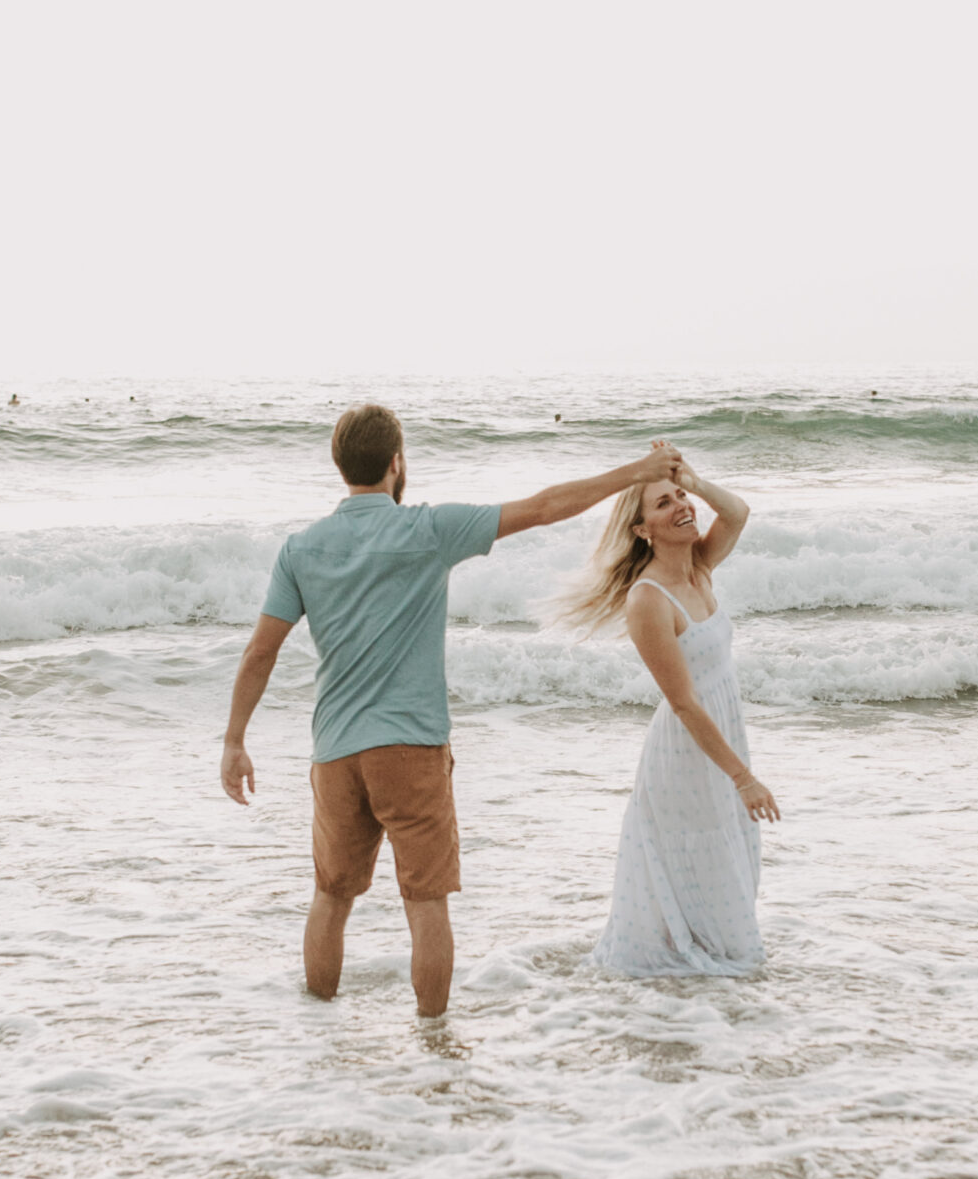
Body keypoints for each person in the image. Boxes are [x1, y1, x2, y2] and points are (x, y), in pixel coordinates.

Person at [221, 403, 684, 1017]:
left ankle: (320, 1037)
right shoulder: (428, 530)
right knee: (425, 904)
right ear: (396, 462)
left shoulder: (301, 549)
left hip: (335, 752)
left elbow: (259, 653)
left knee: (330, 897)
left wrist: (234, 741)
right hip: (410, 748)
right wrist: (636, 471)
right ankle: (434, 1045)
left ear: (340, 467)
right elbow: (545, 507)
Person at [567, 460, 777, 976]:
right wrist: (744, 779)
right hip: (685, 751)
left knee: (727, 850)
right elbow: (682, 703)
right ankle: (696, 975)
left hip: (720, 735)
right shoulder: (648, 599)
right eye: (664, 503)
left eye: (679, 498)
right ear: (641, 530)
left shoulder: (700, 567)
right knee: (700, 856)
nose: (681, 507)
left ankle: (712, 974)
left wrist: (691, 481)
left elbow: (739, 511)